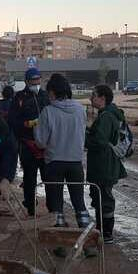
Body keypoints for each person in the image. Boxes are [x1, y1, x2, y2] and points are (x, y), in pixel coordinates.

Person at [34, 74, 90, 228]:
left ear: (53, 91)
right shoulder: (80, 109)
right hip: (76, 163)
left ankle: (59, 243)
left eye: (49, 91)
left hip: (54, 163)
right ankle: (88, 240)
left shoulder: (48, 111)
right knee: (79, 203)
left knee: (56, 205)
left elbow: (40, 142)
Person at [86, 85, 127, 243]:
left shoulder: (106, 117)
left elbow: (100, 141)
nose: (91, 98)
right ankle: (101, 230)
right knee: (101, 197)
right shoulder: (108, 114)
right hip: (106, 163)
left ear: (102, 98)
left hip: (104, 164)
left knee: (104, 198)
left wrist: (84, 138)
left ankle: (106, 233)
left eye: (93, 95)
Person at [9, 67, 50, 216]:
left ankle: (52, 208)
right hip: (27, 144)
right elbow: (12, 120)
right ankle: (31, 208)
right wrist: (26, 124)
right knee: (29, 178)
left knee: (49, 178)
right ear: (27, 81)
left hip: (46, 145)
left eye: (38, 79)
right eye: (33, 80)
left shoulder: (46, 96)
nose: (36, 82)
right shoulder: (19, 98)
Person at [0, 85, 18, 198]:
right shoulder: (16, 107)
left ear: (3, 94)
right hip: (11, 139)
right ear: (13, 95)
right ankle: (5, 188)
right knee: (9, 166)